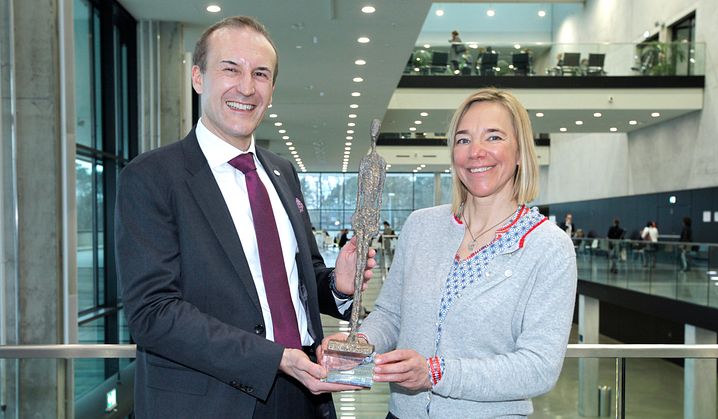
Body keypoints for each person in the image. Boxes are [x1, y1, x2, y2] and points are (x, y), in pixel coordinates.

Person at [115, 16, 376, 418]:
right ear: (198, 77)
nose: (247, 87)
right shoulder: (151, 177)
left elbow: (299, 276)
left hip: (305, 392)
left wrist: (339, 287)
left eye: (260, 74)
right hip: (210, 400)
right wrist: (272, 358)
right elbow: (153, 313)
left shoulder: (281, 171)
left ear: (271, 91)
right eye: (230, 69)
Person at [324, 88, 577, 418]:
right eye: (463, 140)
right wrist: (354, 346)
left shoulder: (548, 247)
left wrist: (435, 373)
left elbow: (538, 367)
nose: (476, 152)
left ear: (519, 152)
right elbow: (390, 315)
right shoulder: (421, 226)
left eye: (494, 137)